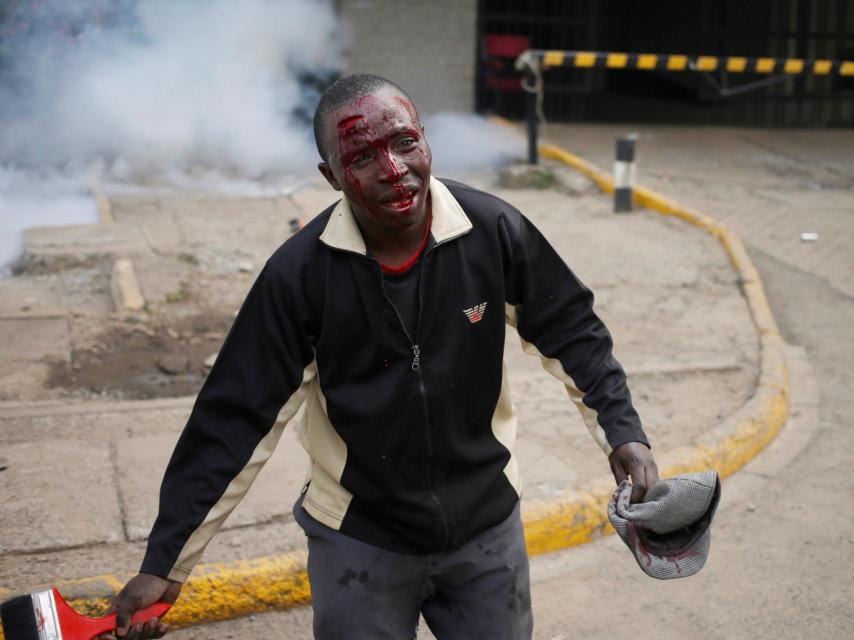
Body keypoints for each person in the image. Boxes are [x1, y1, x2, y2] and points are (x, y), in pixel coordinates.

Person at [98, 73, 658, 640]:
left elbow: (574, 331)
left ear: (425, 139)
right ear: (331, 177)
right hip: (359, 540)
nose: (394, 169)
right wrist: (165, 563)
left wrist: (623, 433)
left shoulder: (492, 231)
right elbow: (234, 420)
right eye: (362, 156)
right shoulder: (299, 277)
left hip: (488, 530)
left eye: (405, 142)